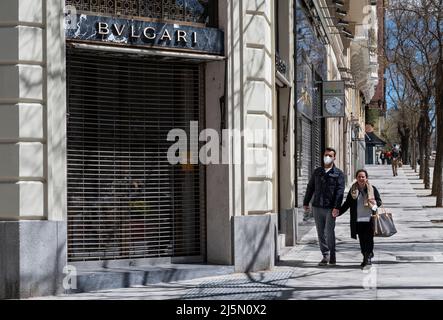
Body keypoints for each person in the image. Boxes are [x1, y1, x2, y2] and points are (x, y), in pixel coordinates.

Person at [303, 147, 345, 266]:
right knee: (320, 232)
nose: (327, 157)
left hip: (330, 208)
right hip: (317, 206)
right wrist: (306, 202)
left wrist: (337, 207)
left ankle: (332, 255)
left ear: (334, 158)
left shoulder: (338, 174)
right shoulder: (317, 172)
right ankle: (325, 255)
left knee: (329, 231)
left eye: (330, 155)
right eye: (326, 155)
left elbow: (340, 192)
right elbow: (310, 187)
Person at [335, 169, 382, 269]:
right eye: (359, 177)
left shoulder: (372, 189)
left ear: (366, 178)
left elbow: (379, 201)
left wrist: (374, 205)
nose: (361, 178)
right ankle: (365, 255)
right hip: (358, 220)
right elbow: (347, 204)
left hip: (369, 218)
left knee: (369, 239)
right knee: (362, 240)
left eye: (363, 177)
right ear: (356, 178)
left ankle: (367, 257)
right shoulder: (353, 190)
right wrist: (338, 212)